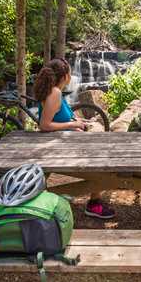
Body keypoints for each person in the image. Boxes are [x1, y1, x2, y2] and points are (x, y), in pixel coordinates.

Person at [34, 58, 115, 219]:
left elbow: (59, 118)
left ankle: (92, 198)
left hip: (65, 141)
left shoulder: (55, 91)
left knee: (103, 150)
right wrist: (72, 126)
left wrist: (79, 122)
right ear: (65, 76)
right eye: (69, 72)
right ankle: (94, 203)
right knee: (102, 160)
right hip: (59, 146)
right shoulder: (54, 92)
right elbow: (44, 125)